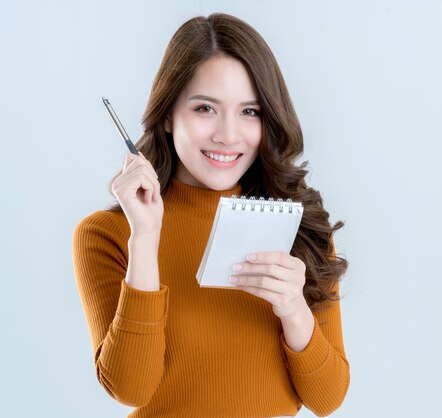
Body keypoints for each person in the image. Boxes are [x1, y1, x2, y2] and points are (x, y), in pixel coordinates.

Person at [72, 12, 350, 418]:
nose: (228, 135)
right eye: (205, 108)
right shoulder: (107, 234)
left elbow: (328, 400)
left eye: (250, 112)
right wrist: (145, 240)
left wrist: (294, 309)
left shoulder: (300, 229)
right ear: (168, 113)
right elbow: (131, 387)